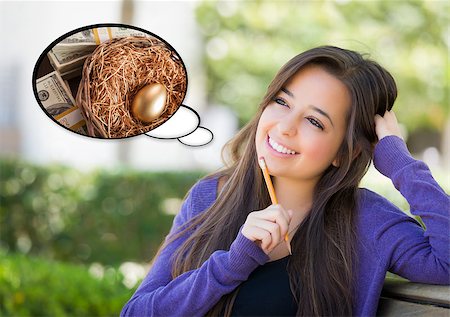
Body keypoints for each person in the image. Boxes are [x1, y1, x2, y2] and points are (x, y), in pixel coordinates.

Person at [121, 46, 449, 317]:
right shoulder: (210, 196)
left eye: (314, 121)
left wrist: (400, 163)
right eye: (282, 102)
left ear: (343, 153)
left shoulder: (366, 220)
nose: (285, 127)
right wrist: (232, 264)